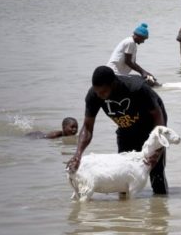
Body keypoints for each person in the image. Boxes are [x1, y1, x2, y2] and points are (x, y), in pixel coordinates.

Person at [67, 66, 171, 195]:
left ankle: (160, 210)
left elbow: (158, 118)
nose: (100, 96)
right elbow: (87, 128)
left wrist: (158, 148)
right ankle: (123, 212)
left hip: (151, 126)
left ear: (114, 84)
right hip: (126, 128)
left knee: (156, 173)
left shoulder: (137, 88)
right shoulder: (94, 95)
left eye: (103, 92)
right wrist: (78, 154)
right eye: (97, 92)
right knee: (122, 173)